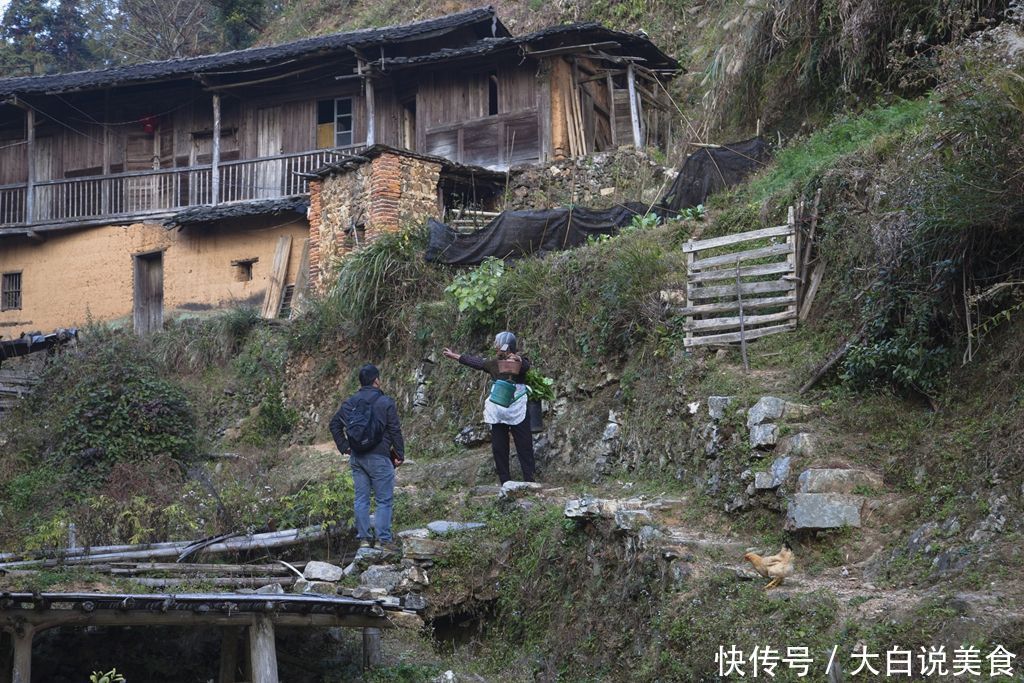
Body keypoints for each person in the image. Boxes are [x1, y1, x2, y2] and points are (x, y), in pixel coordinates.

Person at [442, 331, 536, 484]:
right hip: (498, 408)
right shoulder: (493, 364)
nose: (497, 347)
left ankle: (530, 480)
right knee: (499, 447)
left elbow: (525, 365)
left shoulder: (519, 362)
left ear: (506, 345)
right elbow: (477, 362)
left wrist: (516, 358)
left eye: (499, 344)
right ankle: (505, 481)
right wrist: (455, 356)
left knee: (524, 444)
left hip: (517, 408)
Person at [329, 364, 405, 552]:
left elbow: (334, 425)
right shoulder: (385, 402)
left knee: (361, 499)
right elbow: (395, 429)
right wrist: (400, 454)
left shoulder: (349, 403)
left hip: (357, 458)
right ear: (376, 380)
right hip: (380, 457)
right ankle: (383, 541)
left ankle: (363, 540)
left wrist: (345, 447)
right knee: (383, 500)